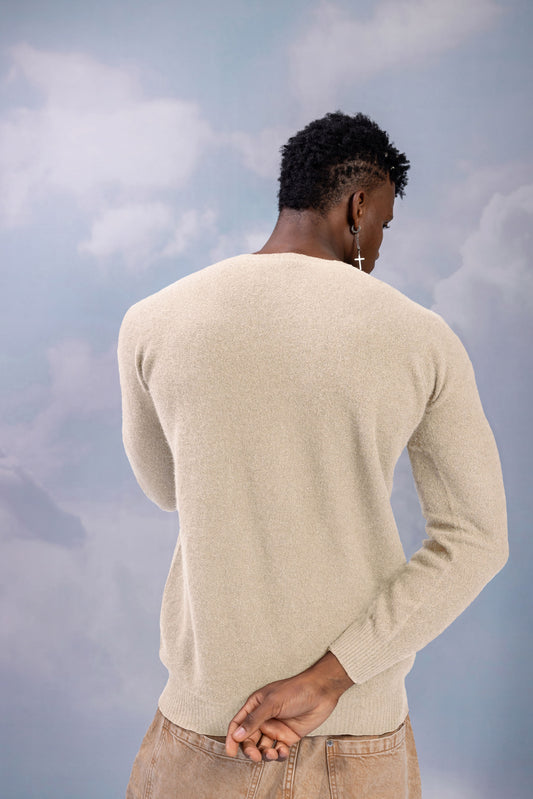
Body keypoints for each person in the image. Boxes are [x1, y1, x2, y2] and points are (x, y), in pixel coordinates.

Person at [118, 111, 509, 798]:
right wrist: (328, 678)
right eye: (383, 223)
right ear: (358, 207)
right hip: (358, 736)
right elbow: (477, 539)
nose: (378, 243)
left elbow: (166, 488)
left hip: (209, 729)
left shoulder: (152, 320)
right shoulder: (421, 337)